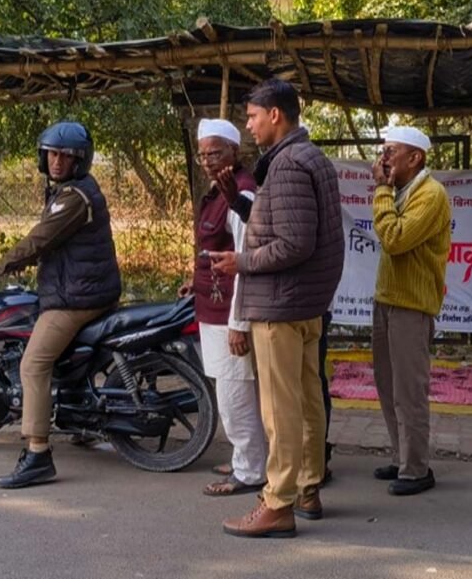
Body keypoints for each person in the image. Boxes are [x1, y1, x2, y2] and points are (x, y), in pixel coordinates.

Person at [211, 79, 344, 538]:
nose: (247, 125)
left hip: (282, 305)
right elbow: (283, 225)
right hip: (303, 304)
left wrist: (241, 261)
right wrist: (238, 204)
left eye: (251, 116)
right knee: (307, 400)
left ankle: (277, 501)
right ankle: (307, 487)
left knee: (279, 408)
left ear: (276, 116)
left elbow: (293, 243)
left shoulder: (287, 165)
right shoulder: (307, 158)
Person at [0, 121, 121, 489]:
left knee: (34, 364)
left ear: (79, 160)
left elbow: (38, 241)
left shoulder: (74, 197)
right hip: (81, 288)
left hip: (77, 298)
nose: (56, 161)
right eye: (52, 154)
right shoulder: (70, 190)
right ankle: (78, 424)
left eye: (65, 156)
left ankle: (38, 453)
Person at [178, 118, 266, 496]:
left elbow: (245, 261)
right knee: (233, 389)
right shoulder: (220, 190)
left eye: (216, 153)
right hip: (212, 306)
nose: (209, 161)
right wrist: (194, 279)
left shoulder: (241, 193)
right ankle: (247, 457)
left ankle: (249, 472)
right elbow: (213, 251)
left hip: (229, 311)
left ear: (235, 152)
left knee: (234, 394)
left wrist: (238, 323)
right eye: (203, 155)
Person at [369, 126, 451, 496]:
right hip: (387, 302)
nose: (384, 158)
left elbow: (395, 239)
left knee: (409, 391)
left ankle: (417, 468)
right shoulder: (404, 190)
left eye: (391, 151)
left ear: (415, 157)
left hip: (411, 308)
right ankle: (402, 456)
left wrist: (382, 191)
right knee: (388, 386)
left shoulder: (431, 194)